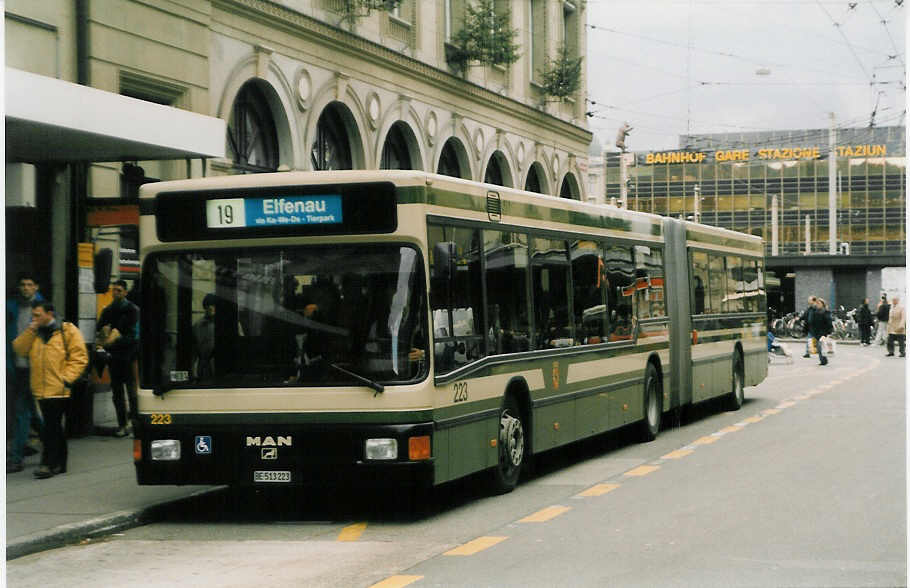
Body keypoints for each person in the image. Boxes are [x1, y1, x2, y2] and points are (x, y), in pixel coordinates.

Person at [12, 301, 88, 478]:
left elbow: (80, 357)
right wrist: (30, 329)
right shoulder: (34, 332)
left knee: (50, 427)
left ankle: (48, 464)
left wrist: (66, 378)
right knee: (54, 427)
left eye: (38, 315)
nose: (34, 318)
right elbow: (19, 349)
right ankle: (61, 463)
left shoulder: (66, 330)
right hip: (40, 387)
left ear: (50, 314)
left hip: (59, 387)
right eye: (33, 315)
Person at [6, 274, 44, 473]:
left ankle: (16, 458)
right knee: (30, 413)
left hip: (36, 369)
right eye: (22, 285)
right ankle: (54, 447)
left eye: (30, 284)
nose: (26, 288)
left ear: (36, 287)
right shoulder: (10, 307)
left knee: (24, 413)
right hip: (18, 367)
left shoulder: (43, 308)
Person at [97, 280, 139, 437]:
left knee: (132, 393)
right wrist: (106, 336)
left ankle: (135, 424)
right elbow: (100, 329)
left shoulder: (133, 310)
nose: (116, 293)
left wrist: (116, 339)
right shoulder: (108, 310)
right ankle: (122, 424)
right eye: (114, 290)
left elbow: (134, 336)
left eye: (119, 290)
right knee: (117, 393)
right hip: (114, 356)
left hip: (129, 356)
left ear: (125, 293)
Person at [193, 294, 217, 380]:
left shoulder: (231, 324)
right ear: (205, 307)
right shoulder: (197, 326)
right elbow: (193, 351)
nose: (210, 307)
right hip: (203, 370)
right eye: (208, 304)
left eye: (213, 304)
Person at [807, 297, 832, 366]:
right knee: (819, 346)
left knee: (820, 345)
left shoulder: (825, 312)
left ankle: (823, 360)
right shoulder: (815, 311)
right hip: (816, 331)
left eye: (819, 303)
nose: (817, 304)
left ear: (822, 304)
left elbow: (829, 322)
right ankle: (823, 359)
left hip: (823, 331)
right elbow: (812, 321)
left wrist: (829, 332)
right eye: (817, 303)